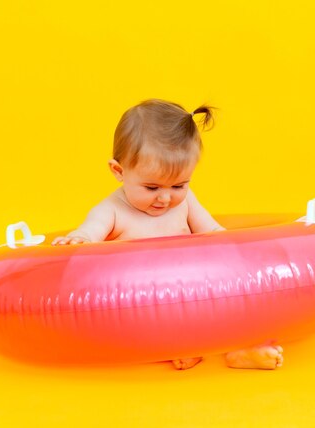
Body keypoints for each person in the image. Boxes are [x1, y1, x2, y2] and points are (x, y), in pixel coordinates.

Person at [52, 99, 283, 370]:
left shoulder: (186, 202)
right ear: (118, 170)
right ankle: (179, 347)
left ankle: (240, 350)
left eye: (179, 185)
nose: (165, 197)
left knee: (236, 308)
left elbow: (215, 234)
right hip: (144, 305)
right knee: (137, 329)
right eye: (151, 187)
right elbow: (89, 233)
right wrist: (79, 239)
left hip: (195, 292)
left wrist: (244, 255)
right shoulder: (111, 211)